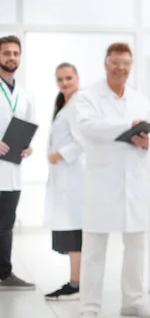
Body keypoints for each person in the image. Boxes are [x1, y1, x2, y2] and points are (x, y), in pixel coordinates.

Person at [76, 43, 150, 318]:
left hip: (134, 185)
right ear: (105, 63)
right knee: (93, 251)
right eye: (116, 62)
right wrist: (128, 127)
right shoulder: (89, 96)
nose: (121, 68)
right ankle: (89, 307)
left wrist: (146, 139)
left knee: (136, 245)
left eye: (126, 63)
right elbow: (87, 127)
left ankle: (133, 302)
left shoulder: (140, 99)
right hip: (102, 184)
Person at [43, 63, 85, 301]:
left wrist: (58, 155)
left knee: (74, 234)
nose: (65, 83)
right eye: (60, 79)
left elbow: (83, 141)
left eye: (69, 78)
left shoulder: (79, 104)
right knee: (71, 234)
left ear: (77, 78)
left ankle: (77, 284)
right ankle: (76, 282)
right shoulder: (66, 104)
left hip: (75, 179)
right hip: (66, 179)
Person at [0, 35, 35, 291]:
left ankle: (4, 273)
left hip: (12, 171)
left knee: (6, 225)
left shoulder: (23, 93)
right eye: (6, 53)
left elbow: (28, 125)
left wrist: (28, 146)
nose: (11, 57)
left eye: (15, 53)